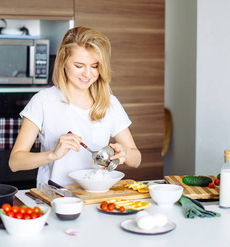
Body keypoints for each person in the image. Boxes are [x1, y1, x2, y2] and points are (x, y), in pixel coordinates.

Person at [9, 26, 141, 185]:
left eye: (94, 66)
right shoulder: (43, 101)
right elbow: (15, 162)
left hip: (95, 197)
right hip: (53, 198)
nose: (87, 74)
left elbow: (136, 160)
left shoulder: (110, 103)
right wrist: (53, 155)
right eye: (79, 66)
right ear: (63, 62)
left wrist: (125, 153)